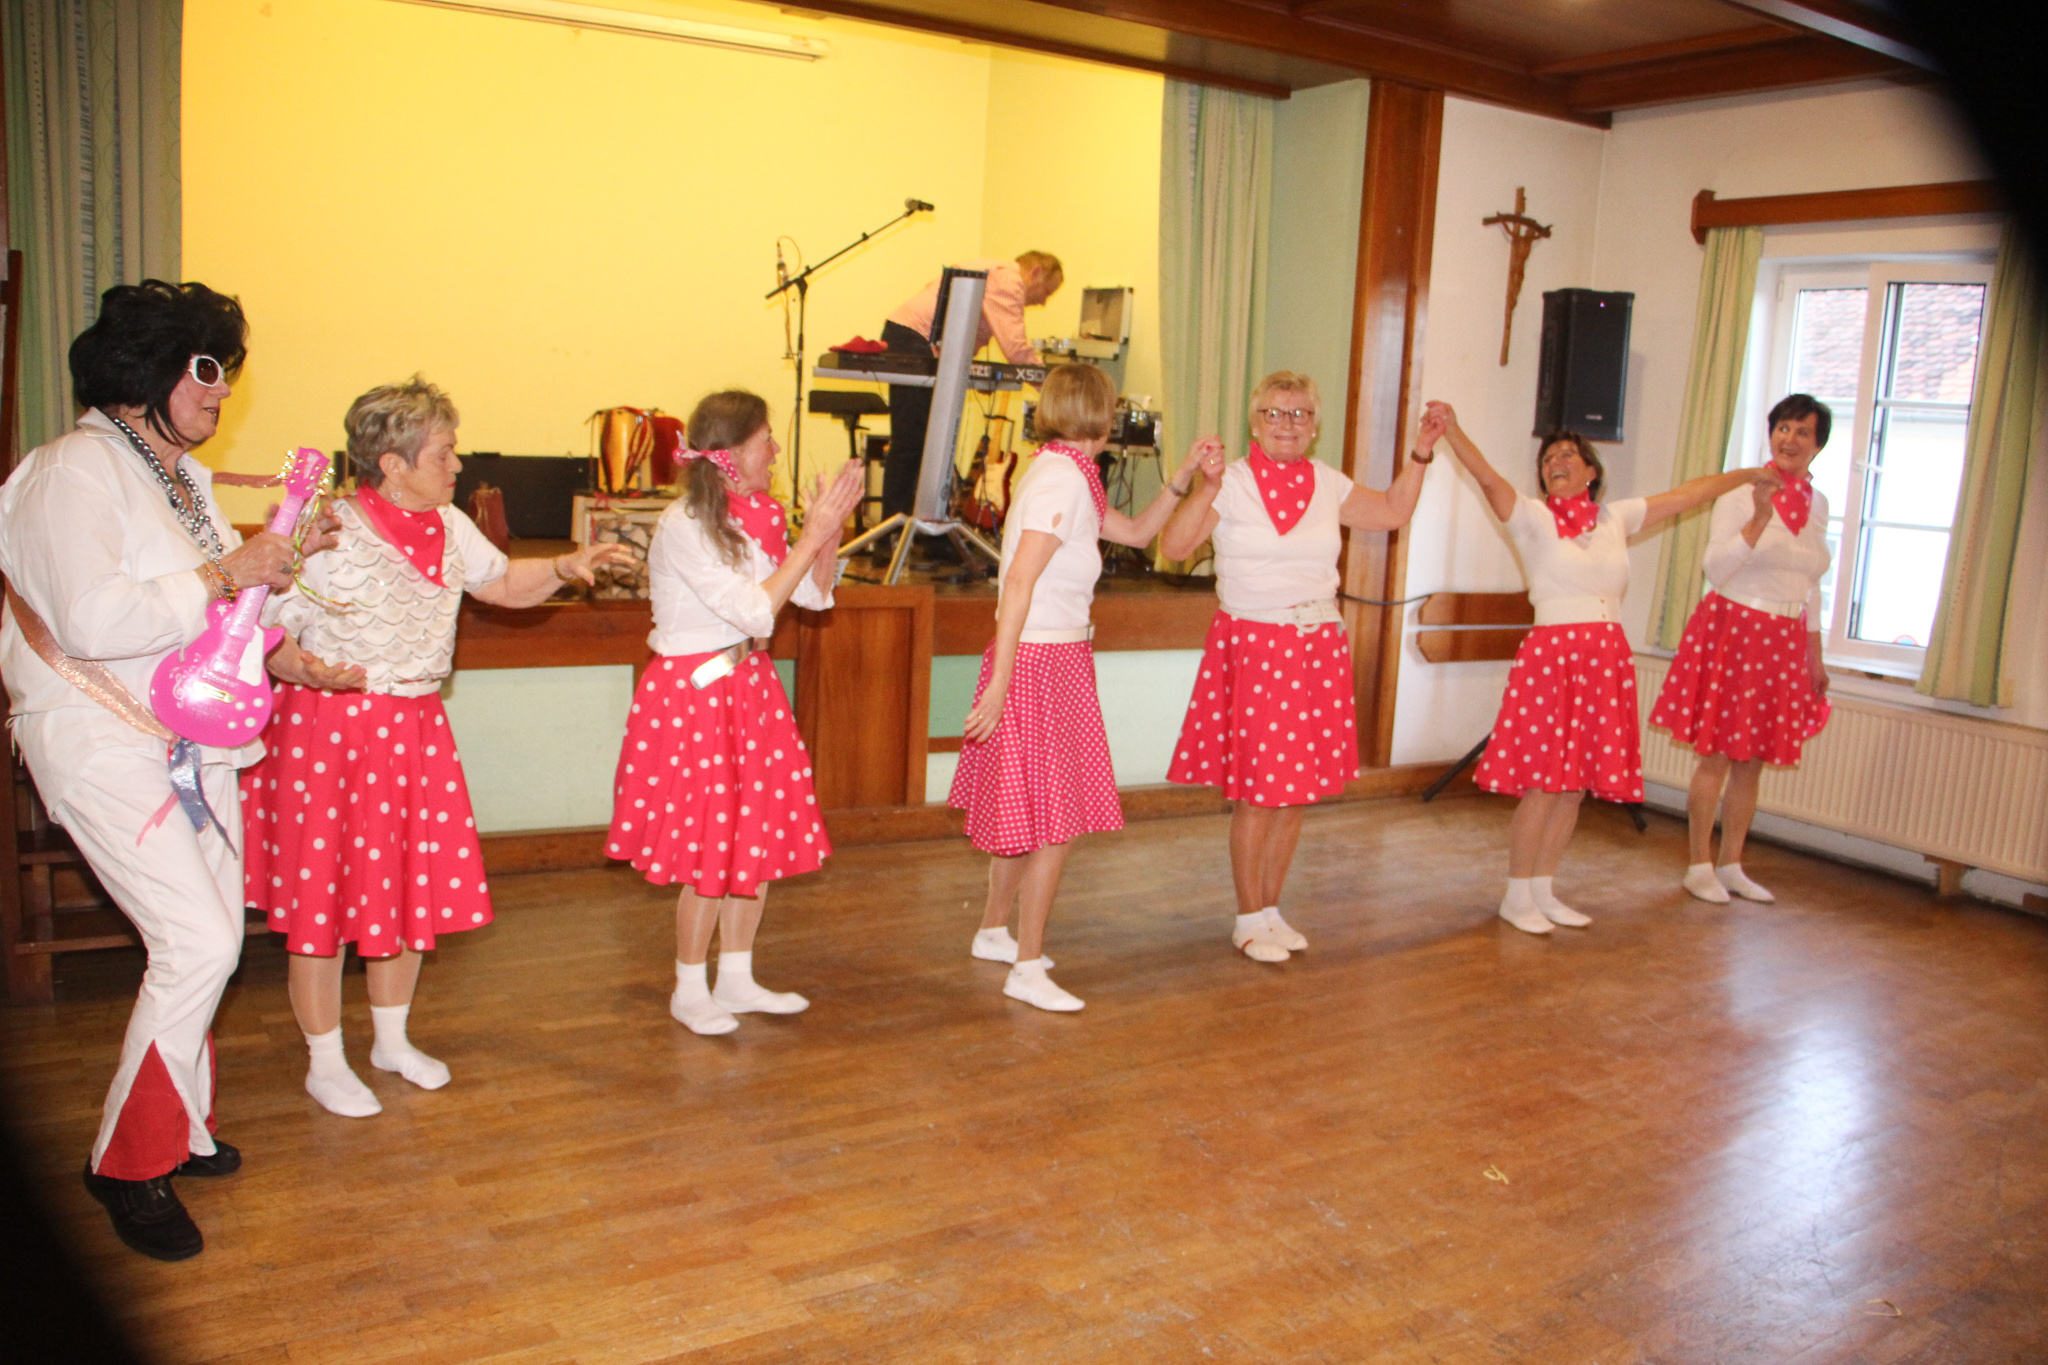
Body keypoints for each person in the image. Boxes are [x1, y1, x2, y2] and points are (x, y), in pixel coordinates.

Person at [0, 280, 356, 1260]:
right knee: (196, 940)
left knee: (210, 941)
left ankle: (183, 1127)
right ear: (143, 369)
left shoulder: (183, 481)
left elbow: (220, 620)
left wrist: (287, 644)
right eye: (205, 367)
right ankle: (127, 1162)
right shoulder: (70, 470)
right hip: (100, 735)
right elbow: (92, 620)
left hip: (191, 738)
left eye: (226, 370)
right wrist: (228, 570)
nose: (221, 389)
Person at [242, 377, 630, 1117]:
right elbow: (262, 626)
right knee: (323, 900)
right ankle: (325, 1060)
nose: (457, 465)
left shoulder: (450, 524)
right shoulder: (327, 528)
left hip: (415, 728)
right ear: (392, 464)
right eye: (444, 452)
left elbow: (501, 585)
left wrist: (561, 567)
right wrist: (302, 667)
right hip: (330, 731)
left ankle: (391, 1040)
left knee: (403, 887)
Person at [1431, 403, 1770, 935]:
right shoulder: (1533, 518)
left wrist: (1748, 475)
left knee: (1574, 786)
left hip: (1605, 658)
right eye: (1548, 458)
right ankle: (1516, 894)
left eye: (1568, 454)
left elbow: (1688, 495)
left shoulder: (1616, 519)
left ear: (1591, 471)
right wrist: (1452, 430)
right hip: (1553, 659)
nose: (1556, 462)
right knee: (1545, 783)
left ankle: (1543, 888)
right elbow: (1487, 477)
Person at [606, 391, 864, 1035]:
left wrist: (828, 532)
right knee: (707, 848)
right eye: (764, 440)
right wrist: (811, 536)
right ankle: (689, 987)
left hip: (748, 684)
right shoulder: (686, 523)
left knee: (756, 833)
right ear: (730, 453)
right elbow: (753, 609)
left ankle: (738, 978)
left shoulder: (758, 516)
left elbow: (814, 597)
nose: (775, 451)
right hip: (695, 693)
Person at [950, 362, 1206, 1011]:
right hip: (1039, 662)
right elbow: (1018, 580)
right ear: (1099, 413)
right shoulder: (1062, 479)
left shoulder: (1069, 472)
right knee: (1055, 824)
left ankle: (994, 931)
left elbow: (1138, 534)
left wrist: (1182, 478)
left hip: (1055, 659)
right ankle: (1026, 966)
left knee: (1027, 816)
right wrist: (1002, 680)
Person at [1159, 372, 1434, 963]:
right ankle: (1247, 917)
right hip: (1256, 644)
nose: (1287, 423)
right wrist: (1206, 487)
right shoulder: (1232, 483)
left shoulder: (1329, 483)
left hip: (1316, 647)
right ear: (1254, 422)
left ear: (1314, 425)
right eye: (1274, 413)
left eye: (1299, 413)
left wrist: (1420, 453)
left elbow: (1391, 511)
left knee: (1294, 792)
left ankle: (1270, 910)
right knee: (1259, 793)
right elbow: (1175, 548)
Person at [1650, 394, 1833, 905]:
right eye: (1783, 428)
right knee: (1717, 756)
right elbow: (1715, 568)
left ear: (1818, 445)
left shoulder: (1818, 505)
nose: (1789, 439)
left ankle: (1731, 863)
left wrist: (1814, 656)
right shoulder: (1739, 492)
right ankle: (1698, 865)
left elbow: (1812, 584)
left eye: (1802, 431)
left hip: (1785, 639)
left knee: (1752, 761)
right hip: (1737, 629)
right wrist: (1759, 516)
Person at [879, 251, 1062, 519]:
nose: (1044, 301)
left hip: (914, 339)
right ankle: (895, 529)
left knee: (925, 443)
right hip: (915, 340)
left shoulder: (992, 272)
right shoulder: (1008, 279)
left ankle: (915, 528)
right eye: (1047, 291)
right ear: (1036, 272)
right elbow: (1016, 351)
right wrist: (1054, 390)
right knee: (914, 441)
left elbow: (963, 332)